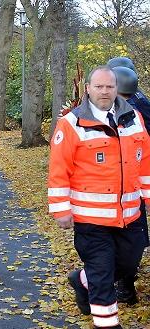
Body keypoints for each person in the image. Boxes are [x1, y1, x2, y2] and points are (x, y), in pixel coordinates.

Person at [48, 66, 150, 329]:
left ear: (117, 89)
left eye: (109, 86)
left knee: (129, 264)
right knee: (103, 277)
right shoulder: (71, 123)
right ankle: (107, 323)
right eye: (99, 86)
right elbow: (59, 169)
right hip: (91, 221)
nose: (104, 91)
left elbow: (145, 163)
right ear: (88, 89)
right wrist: (61, 210)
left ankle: (83, 280)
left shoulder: (134, 118)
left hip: (130, 216)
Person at [111, 65, 149, 304]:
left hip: (124, 180)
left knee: (121, 236)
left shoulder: (126, 111)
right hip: (138, 181)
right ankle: (125, 285)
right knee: (135, 234)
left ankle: (122, 285)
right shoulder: (144, 102)